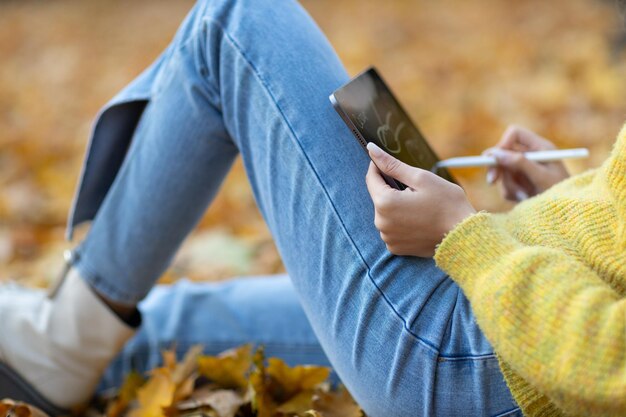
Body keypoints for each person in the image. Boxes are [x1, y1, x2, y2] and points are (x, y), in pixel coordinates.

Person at [0, 0, 624, 415]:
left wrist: (467, 237)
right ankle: (72, 333)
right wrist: (564, 201)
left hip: (478, 360)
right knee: (163, 331)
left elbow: (608, 363)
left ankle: (65, 334)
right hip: (508, 321)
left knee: (239, 21)